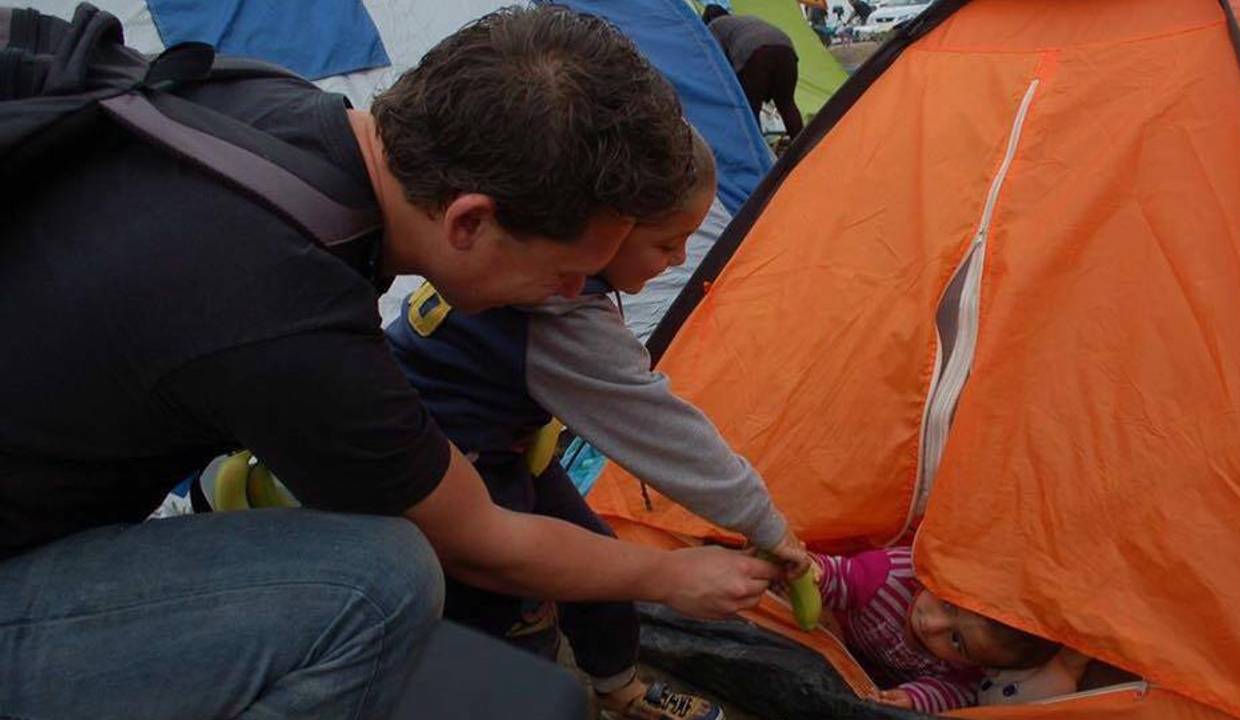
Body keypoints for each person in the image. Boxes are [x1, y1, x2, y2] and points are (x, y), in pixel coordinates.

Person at [0, 6, 780, 719]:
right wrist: (670, 578)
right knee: (380, 579)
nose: (575, 293)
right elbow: (484, 541)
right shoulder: (289, 308)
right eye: (568, 272)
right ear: (471, 218)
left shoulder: (272, 107)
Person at [386, 131, 808, 720]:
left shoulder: (535, 261)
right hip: (452, 463)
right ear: (604, 233)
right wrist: (766, 524)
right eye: (668, 242)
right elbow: (665, 434)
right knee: (509, 601)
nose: (682, 259)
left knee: (598, 560)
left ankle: (618, 688)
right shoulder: (562, 318)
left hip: (510, 445)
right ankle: (514, 690)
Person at [811, 547, 1061, 713]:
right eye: (947, 603)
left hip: (875, 680)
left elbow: (958, 690)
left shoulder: (969, 666)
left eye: (955, 641)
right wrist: (813, 574)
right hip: (835, 636)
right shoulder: (888, 576)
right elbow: (836, 577)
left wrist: (913, 698)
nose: (930, 626)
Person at [702, 5, 805, 140]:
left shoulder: (713, 27)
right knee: (787, 104)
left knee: (750, 110)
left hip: (755, 54)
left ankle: (760, 156)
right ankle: (807, 151)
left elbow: (716, 61)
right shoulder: (744, 20)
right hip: (786, 49)